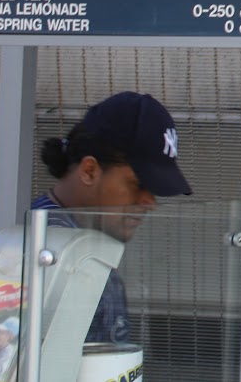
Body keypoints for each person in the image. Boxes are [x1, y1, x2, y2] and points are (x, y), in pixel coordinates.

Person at [30, 91, 193, 345]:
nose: (150, 202)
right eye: (138, 184)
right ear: (89, 170)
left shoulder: (84, 246)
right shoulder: (45, 257)